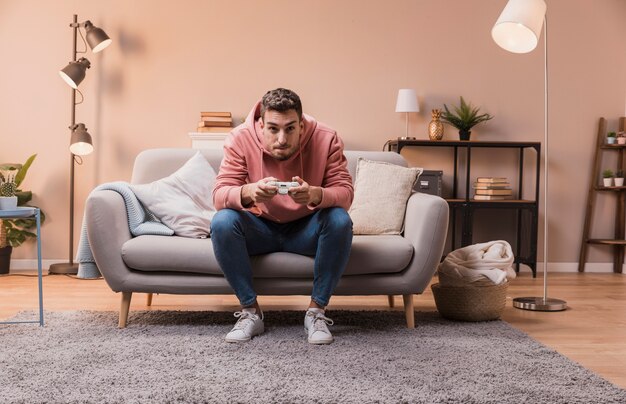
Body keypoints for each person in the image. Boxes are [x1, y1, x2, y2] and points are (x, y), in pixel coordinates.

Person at [211, 88, 354, 345]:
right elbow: (219, 194)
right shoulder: (239, 138)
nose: (282, 139)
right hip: (259, 228)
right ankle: (250, 312)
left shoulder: (327, 138)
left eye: (290, 129)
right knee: (222, 222)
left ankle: (316, 312)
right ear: (261, 124)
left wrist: (315, 194)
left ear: (301, 125)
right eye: (273, 129)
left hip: (306, 229)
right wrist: (248, 192)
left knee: (339, 220)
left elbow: (345, 194)